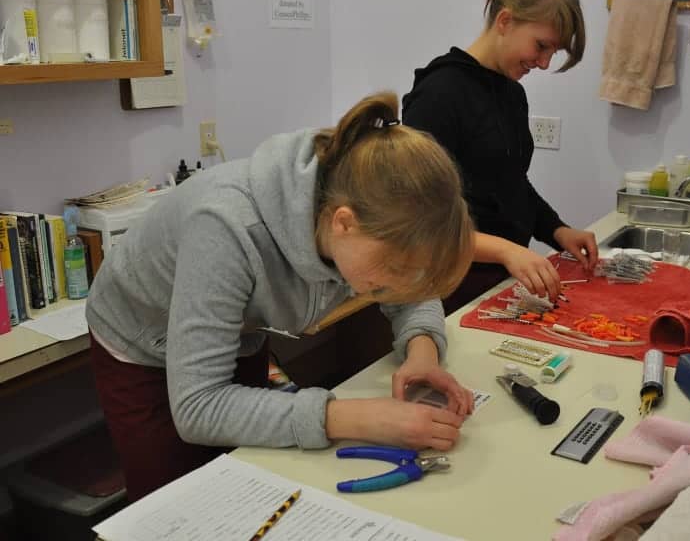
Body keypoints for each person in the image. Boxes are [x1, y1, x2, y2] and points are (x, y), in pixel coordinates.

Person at [86, 92, 476, 500]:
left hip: (234, 328)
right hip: (142, 339)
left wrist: (422, 351)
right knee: (173, 501)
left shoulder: (355, 202)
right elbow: (199, 408)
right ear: (343, 224)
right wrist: (354, 417)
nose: (389, 290)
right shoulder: (225, 226)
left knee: (245, 478)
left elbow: (411, 286)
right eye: (386, 278)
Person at [402, 0, 598, 314]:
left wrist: (557, 230)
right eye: (541, 46)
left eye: (552, 52)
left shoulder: (511, 93)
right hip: (446, 289)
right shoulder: (439, 94)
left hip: (499, 280)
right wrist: (507, 251)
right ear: (505, 21)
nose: (543, 63)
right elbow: (419, 222)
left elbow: (508, 183)